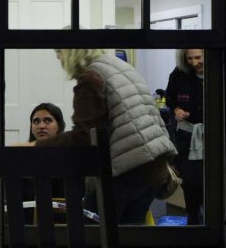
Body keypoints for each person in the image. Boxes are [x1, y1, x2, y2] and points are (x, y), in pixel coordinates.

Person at [33, 49, 176, 225]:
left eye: (60, 54)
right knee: (130, 238)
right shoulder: (122, 67)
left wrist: (36, 146)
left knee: (92, 236)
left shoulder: (91, 78)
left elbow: (85, 137)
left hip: (127, 170)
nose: (59, 59)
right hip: (154, 168)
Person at [165, 48, 205, 224]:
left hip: (214, 134)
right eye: (190, 59)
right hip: (187, 135)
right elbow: (170, 97)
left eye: (198, 57)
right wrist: (177, 110)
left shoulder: (219, 69)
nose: (194, 63)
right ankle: (194, 218)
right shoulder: (179, 73)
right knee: (190, 181)